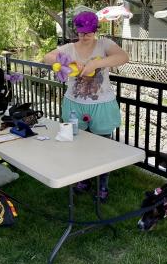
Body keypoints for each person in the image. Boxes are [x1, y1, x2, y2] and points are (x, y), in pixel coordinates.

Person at [44, 11, 129, 202]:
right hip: (74, 105)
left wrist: (95, 64)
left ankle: (103, 185)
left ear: (95, 30)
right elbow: (47, 57)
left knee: (102, 148)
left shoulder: (104, 44)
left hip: (102, 105)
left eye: (88, 33)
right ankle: (83, 180)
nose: (84, 37)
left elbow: (123, 57)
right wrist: (65, 62)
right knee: (77, 146)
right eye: (81, 33)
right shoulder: (69, 47)